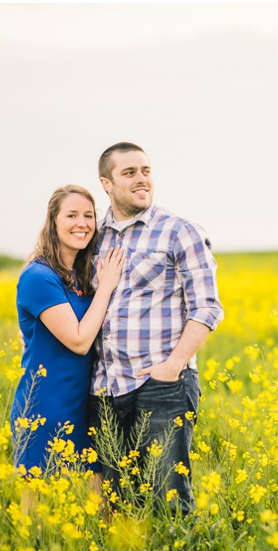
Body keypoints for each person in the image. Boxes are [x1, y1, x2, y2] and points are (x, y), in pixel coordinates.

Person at [88, 142, 224, 515]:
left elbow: (207, 307)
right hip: (105, 389)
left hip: (160, 385)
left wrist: (175, 364)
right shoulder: (93, 237)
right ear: (107, 183)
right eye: (129, 173)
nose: (141, 179)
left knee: (169, 499)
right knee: (116, 507)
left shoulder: (178, 231)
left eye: (146, 171)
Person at [11, 184, 125, 513]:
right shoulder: (38, 275)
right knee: (37, 513)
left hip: (82, 405)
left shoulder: (78, 276)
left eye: (89, 215)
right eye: (71, 215)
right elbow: (78, 340)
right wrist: (106, 287)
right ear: (53, 222)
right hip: (43, 408)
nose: (82, 223)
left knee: (102, 507)